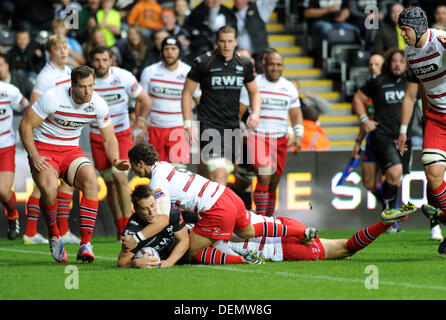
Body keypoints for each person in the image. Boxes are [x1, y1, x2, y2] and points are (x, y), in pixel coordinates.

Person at [125, 142, 319, 265]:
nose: (133, 171)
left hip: (216, 209)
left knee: (189, 251)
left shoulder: (157, 182)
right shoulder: (163, 165)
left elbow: (163, 219)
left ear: (140, 164)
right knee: (247, 231)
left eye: (133, 166)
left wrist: (137, 238)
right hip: (227, 195)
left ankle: (242, 260)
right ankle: (301, 232)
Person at [18, 65, 129, 263]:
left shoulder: (97, 103)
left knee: (91, 182)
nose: (88, 92)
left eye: (91, 86)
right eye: (83, 87)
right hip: (44, 148)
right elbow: (25, 125)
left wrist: (115, 160)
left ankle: (85, 244)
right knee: (50, 188)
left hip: (70, 150)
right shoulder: (53, 97)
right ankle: (54, 235)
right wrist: (34, 156)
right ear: (72, 85)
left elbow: (110, 138)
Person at [182, 25, 261, 186]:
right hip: (209, 124)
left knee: (207, 174)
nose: (226, 45)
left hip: (232, 125)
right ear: (216, 42)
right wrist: (188, 124)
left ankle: (198, 207)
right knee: (220, 172)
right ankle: (219, 211)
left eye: (230, 41)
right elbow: (187, 93)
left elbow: (255, 92)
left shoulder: (244, 64)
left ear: (236, 42)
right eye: (222, 41)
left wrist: (256, 113)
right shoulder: (203, 62)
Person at [24, 35, 81, 245]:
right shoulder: (45, 77)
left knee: (68, 183)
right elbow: (34, 107)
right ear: (50, 52)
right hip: (49, 137)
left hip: (65, 138)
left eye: (65, 48)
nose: (64, 52)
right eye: (58, 49)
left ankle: (63, 229)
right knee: (44, 185)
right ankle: (30, 232)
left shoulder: (68, 72)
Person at [397, 6, 446, 251]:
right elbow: (424, 88)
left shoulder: (441, 41)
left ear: (417, 28)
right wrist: (427, 117)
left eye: (405, 30)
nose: (403, 35)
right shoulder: (410, 52)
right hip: (437, 117)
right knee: (432, 171)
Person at [90, 45, 151, 241]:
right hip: (97, 136)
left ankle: (128, 227)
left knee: (120, 178)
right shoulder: (87, 81)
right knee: (109, 183)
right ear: (92, 61)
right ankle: (120, 229)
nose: (101, 64)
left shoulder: (123, 77)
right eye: (97, 60)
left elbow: (145, 100)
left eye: (104, 60)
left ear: (111, 60)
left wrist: (140, 121)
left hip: (121, 135)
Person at [354, 48, 418, 234]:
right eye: (394, 61)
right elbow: (358, 99)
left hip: (404, 136)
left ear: (407, 65)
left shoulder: (412, 83)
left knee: (396, 178)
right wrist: (365, 121)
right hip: (382, 135)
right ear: (388, 63)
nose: (397, 64)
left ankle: (390, 218)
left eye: (401, 61)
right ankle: (391, 217)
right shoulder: (378, 82)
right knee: (393, 172)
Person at [214, 205, 418, 262]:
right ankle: (383, 225)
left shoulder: (204, 237)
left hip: (279, 248)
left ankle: (383, 225)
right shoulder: (221, 207)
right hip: (283, 225)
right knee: (346, 247)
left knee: (346, 250)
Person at [240, 52, 303, 216]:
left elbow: (296, 114)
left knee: (274, 182)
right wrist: (241, 129)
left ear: (283, 66)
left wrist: (298, 135)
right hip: (257, 135)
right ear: (264, 65)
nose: (275, 68)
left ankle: (268, 221)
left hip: (280, 139)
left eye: (279, 65)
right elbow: (240, 111)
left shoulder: (289, 87)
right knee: (265, 173)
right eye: (271, 64)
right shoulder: (254, 84)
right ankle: (260, 221)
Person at [141, 36, 199, 166]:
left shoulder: (188, 72)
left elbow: (200, 97)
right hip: (155, 128)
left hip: (178, 128)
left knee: (179, 172)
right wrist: (141, 123)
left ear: (180, 51)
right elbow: (142, 100)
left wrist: (191, 121)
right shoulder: (149, 71)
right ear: (161, 52)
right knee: (156, 170)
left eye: (173, 48)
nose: (170, 52)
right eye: (166, 49)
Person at [117, 185, 189, 268]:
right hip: (164, 256)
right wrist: (135, 263)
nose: (151, 212)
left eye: (152, 205)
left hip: (182, 248)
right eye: (145, 209)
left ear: (156, 202)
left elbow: (184, 240)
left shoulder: (170, 210)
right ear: (136, 210)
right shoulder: (133, 229)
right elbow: (122, 262)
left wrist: (169, 261)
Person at [351, 53, 385, 207]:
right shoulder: (367, 89)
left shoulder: (390, 86)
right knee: (368, 182)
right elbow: (365, 120)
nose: (373, 67)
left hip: (388, 139)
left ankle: (394, 221)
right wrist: (358, 142)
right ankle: (390, 207)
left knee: (388, 179)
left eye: (377, 64)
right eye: (371, 64)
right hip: (371, 140)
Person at [0, 81, 29, 240]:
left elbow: (28, 109)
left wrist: (26, 132)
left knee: (3, 190)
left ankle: (12, 215)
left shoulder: (8, 91)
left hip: (5, 146)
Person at [232, 0, 277, 69]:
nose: (238, 1)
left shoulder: (259, 8)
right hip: (240, 57)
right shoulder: (230, 13)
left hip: (260, 56)